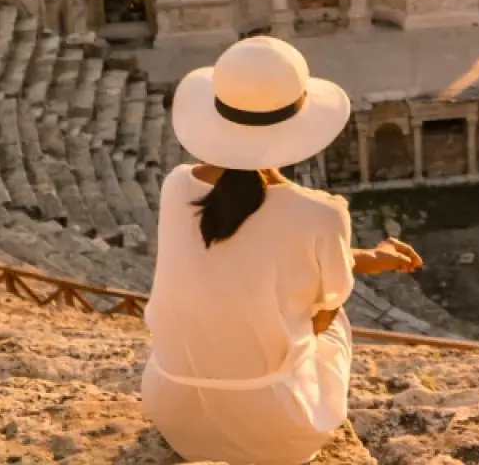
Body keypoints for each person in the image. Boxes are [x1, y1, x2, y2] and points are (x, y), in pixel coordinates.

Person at [141, 36, 423, 465]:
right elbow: (317, 316)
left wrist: (366, 256)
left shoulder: (176, 185)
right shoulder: (322, 214)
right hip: (273, 431)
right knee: (334, 316)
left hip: (175, 413)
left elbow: (247, 254)